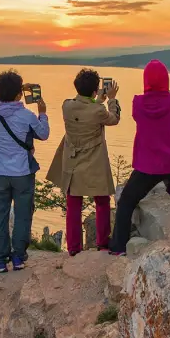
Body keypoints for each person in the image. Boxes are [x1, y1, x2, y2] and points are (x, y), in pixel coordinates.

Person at [109, 60, 170, 255]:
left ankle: (118, 247)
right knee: (169, 164)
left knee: (126, 201)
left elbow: (138, 117)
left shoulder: (138, 103)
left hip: (148, 167)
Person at [0, 70, 50, 273]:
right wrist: (42, 112)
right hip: (22, 173)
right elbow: (43, 134)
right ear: (20, 94)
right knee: (23, 215)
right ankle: (18, 257)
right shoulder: (26, 115)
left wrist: (11, 91)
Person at [46, 69, 121, 256]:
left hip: (72, 161)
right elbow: (114, 119)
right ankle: (102, 243)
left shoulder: (67, 106)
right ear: (96, 90)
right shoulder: (99, 111)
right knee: (102, 200)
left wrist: (96, 100)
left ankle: (73, 248)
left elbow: (85, 109)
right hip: (94, 160)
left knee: (73, 203)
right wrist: (111, 99)